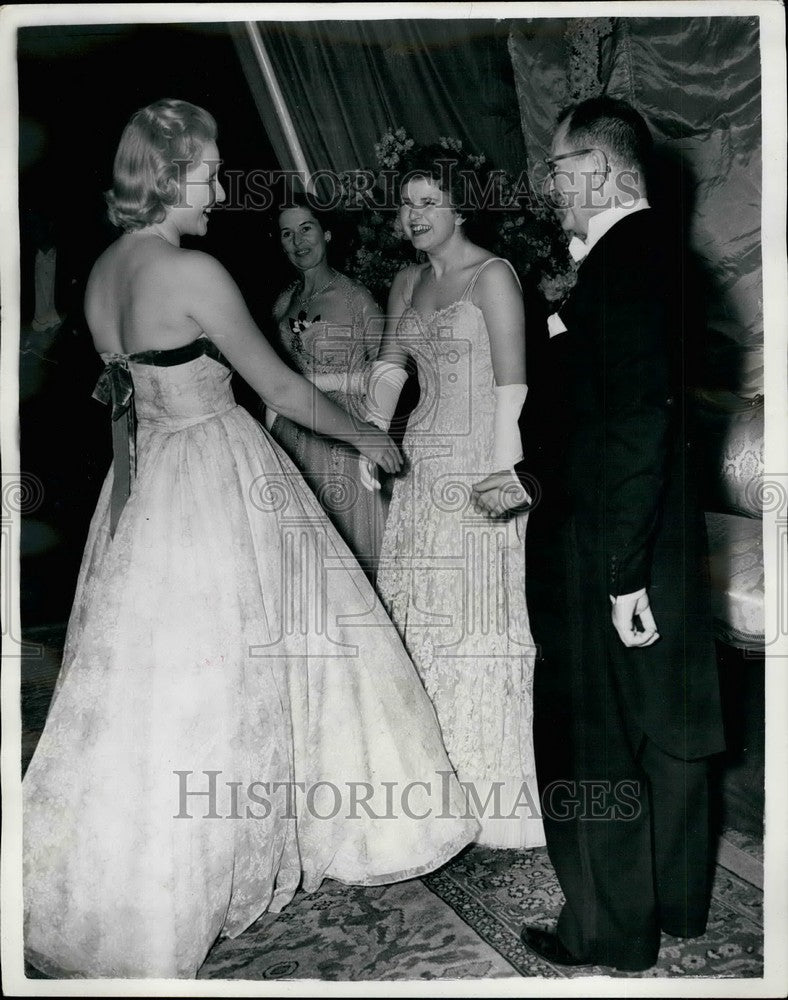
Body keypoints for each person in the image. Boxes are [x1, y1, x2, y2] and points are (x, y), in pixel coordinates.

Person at [22, 99, 477, 979]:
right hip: (216, 478)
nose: (222, 189)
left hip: (146, 483)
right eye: (207, 174)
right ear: (164, 179)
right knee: (270, 660)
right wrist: (367, 436)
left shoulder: (104, 273)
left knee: (156, 686)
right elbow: (285, 388)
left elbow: (126, 395)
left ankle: (138, 868)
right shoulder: (192, 275)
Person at [473, 96, 725, 971]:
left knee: (591, 741)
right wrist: (530, 476)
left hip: (608, 549)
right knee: (670, 725)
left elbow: (634, 429)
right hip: (658, 532)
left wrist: (620, 578)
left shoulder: (622, 266)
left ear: (594, 169)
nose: (550, 190)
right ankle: (681, 905)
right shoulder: (666, 258)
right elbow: (612, 415)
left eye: (554, 169)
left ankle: (609, 933)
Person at [365, 144, 546, 850]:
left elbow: (513, 387)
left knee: (477, 625)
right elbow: (389, 369)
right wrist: (372, 442)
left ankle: (494, 793)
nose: (413, 216)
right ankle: (429, 793)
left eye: (427, 202)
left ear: (460, 205)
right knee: (420, 621)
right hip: (420, 471)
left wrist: (506, 473)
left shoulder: (493, 276)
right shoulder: (406, 284)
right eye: (406, 203)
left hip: (479, 469)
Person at [267, 196, 386, 580]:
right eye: (287, 233)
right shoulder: (283, 303)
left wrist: (324, 382)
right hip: (293, 435)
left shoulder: (357, 298)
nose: (298, 241)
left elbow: (385, 374)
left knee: (352, 557)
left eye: (306, 228)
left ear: (327, 233)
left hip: (343, 436)